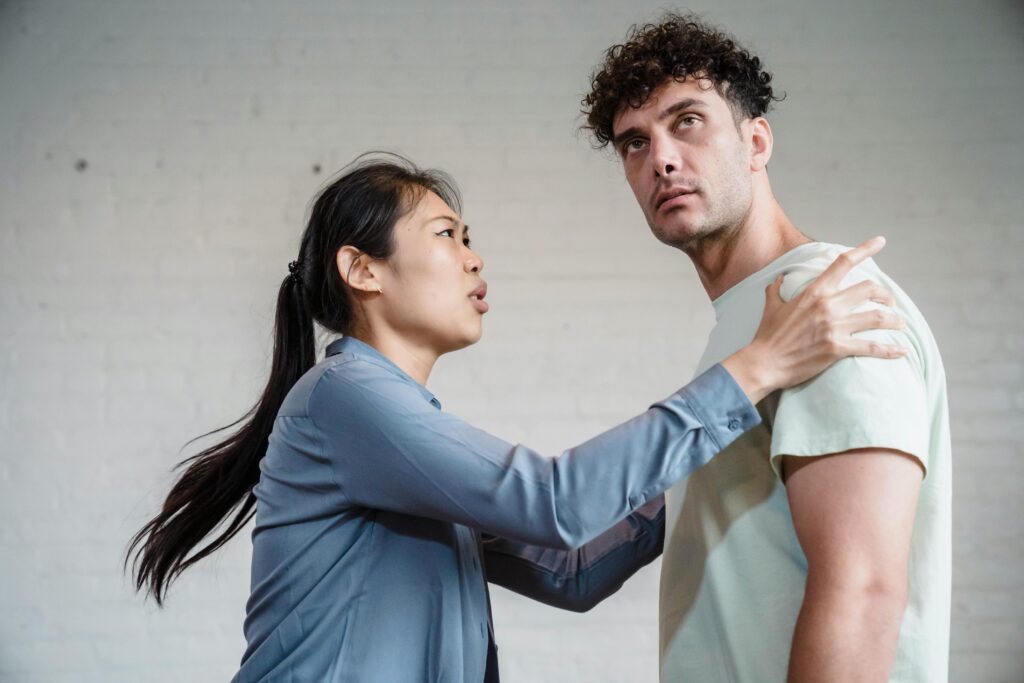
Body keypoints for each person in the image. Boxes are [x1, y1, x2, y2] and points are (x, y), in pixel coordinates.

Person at [126, 154, 905, 682]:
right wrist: (755, 369)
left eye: (471, 239)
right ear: (362, 269)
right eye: (446, 236)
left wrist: (721, 455)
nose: (474, 259)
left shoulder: (399, 441)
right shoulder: (345, 400)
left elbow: (571, 569)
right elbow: (555, 503)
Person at [580, 13, 952, 683]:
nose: (660, 158)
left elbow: (864, 588)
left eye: (687, 121)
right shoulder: (757, 321)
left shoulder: (825, 302)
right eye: (635, 142)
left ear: (756, 142)